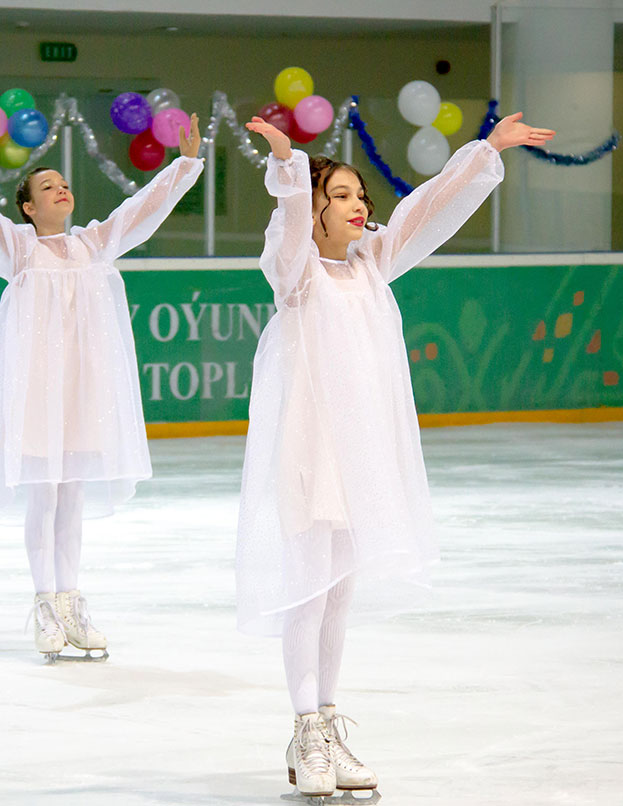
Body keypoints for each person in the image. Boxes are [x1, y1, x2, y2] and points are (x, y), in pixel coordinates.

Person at [236, 113, 554, 796]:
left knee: (341, 594)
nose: (360, 206)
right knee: (308, 591)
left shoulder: (371, 264)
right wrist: (291, 165)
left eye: (360, 196)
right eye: (343, 196)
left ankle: (326, 722)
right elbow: (289, 224)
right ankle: (304, 732)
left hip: (362, 452)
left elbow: (426, 208)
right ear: (315, 208)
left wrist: (482, 153)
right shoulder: (294, 273)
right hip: (309, 450)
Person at [0, 121, 203, 660]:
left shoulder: (93, 244)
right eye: (47, 187)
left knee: (74, 492)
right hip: (36, 387)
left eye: (64, 183)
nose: (61, 188)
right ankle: (43, 603)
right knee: (46, 491)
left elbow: (142, 210)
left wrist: (184, 166)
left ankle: (71, 602)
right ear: (30, 208)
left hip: (83, 387)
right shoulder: (17, 249)